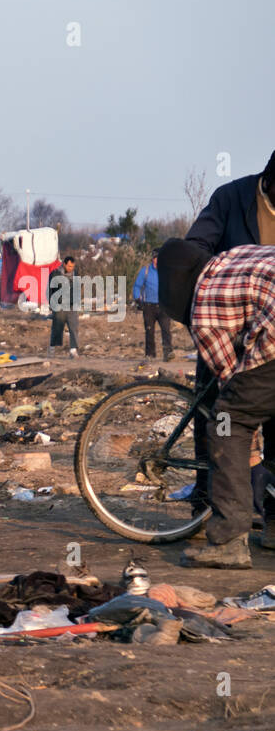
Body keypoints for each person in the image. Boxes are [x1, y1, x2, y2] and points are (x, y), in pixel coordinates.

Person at [163, 150, 275, 537]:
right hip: (224, 322)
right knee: (218, 415)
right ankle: (211, 508)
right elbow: (195, 252)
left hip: (268, 329)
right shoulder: (231, 198)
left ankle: (264, 511)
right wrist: (225, 284)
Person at [179, 244, 275, 568]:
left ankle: (230, 540)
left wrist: (249, 448)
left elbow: (229, 379)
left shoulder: (202, 310)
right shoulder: (234, 256)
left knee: (227, 420)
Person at [132, 250, 171, 360]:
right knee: (149, 331)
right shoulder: (145, 271)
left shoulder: (167, 271)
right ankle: (150, 354)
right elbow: (137, 286)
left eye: (160, 258)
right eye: (155, 258)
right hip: (149, 306)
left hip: (164, 306)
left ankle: (168, 353)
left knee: (166, 330)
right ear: (152, 259)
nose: (157, 260)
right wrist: (138, 299)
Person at [47, 256, 80, 357]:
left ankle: (73, 350)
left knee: (73, 327)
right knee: (57, 328)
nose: (71, 268)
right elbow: (50, 290)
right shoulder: (55, 273)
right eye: (69, 266)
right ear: (64, 264)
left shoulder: (75, 274)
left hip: (71, 305)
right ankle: (52, 349)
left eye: (72, 266)